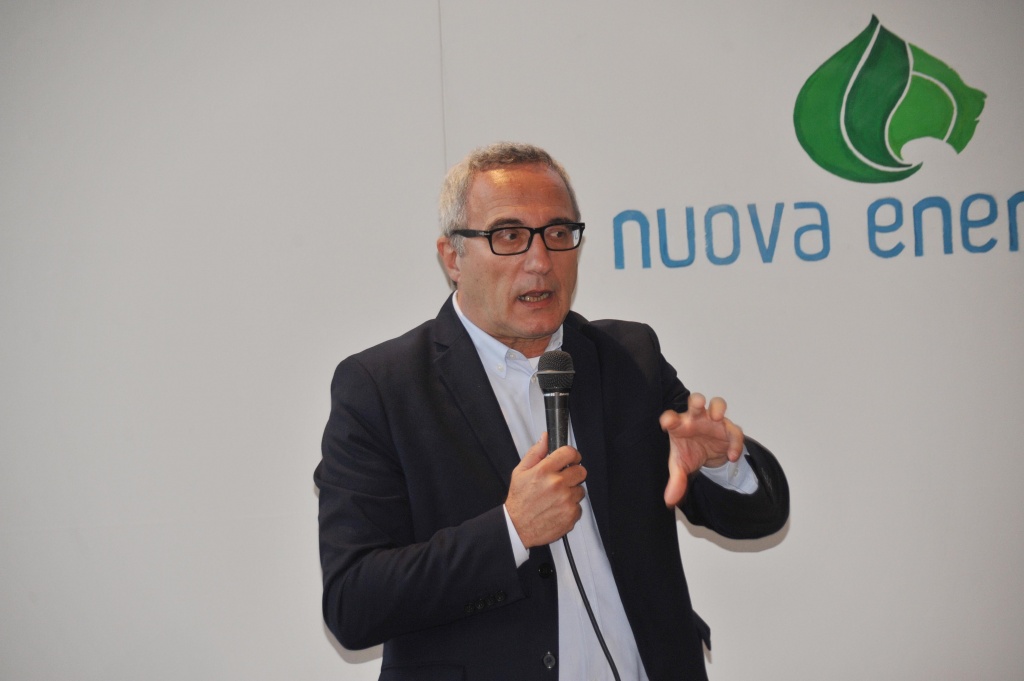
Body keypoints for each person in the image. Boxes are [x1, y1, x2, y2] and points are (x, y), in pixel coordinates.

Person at [315, 142, 789, 681]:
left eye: (558, 233)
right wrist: (510, 530)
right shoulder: (383, 388)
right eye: (509, 236)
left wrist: (723, 464)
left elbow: (762, 515)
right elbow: (353, 602)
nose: (541, 261)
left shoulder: (628, 358)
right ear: (452, 257)